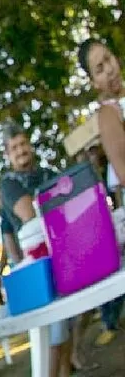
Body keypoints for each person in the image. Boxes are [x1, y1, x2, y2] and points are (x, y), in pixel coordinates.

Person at [0, 124, 73, 377]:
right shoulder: (8, 184)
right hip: (37, 261)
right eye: (14, 148)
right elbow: (28, 214)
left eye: (23, 144)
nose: (20, 151)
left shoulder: (47, 173)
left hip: (65, 253)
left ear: (30, 145)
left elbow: (70, 203)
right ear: (8, 154)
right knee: (53, 330)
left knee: (67, 323)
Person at [77, 39, 125, 345]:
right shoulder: (109, 114)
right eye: (99, 68)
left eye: (108, 60)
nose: (109, 70)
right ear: (94, 81)